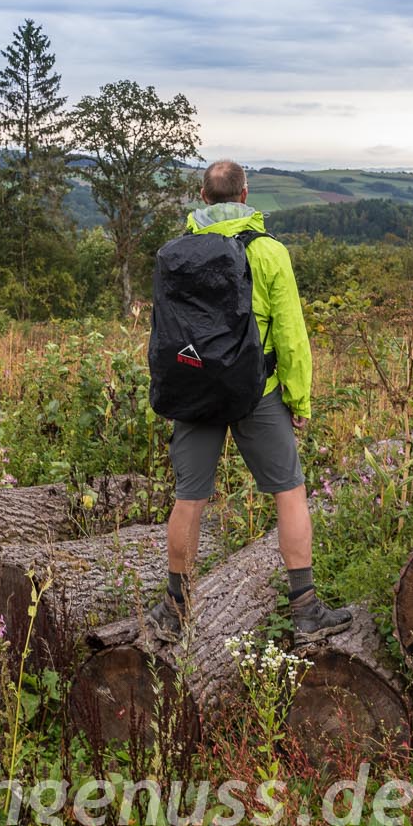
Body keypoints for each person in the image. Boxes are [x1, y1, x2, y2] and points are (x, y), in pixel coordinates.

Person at [149, 159, 352, 644]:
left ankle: (175, 608)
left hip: (194, 387)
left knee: (189, 497)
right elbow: (291, 334)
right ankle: (305, 609)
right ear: (245, 195)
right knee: (289, 492)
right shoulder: (268, 252)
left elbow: (165, 331)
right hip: (255, 390)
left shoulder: (173, 253)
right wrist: (299, 400)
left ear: (202, 196)